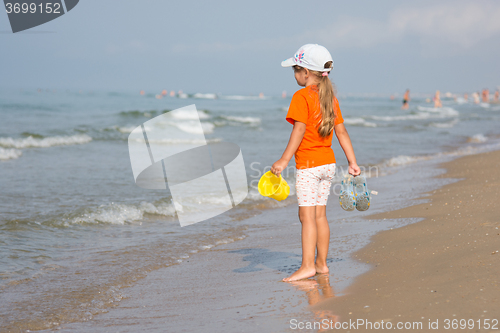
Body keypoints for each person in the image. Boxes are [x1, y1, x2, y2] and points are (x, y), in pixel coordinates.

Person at [271, 44, 360, 282]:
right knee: (320, 215)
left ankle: (307, 266)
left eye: (295, 70)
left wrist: (283, 159)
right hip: (328, 165)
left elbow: (299, 130)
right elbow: (342, 133)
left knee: (307, 217)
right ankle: (321, 264)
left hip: (309, 168)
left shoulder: (301, 97)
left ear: (305, 72)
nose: (294, 75)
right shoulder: (330, 97)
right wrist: (352, 162)